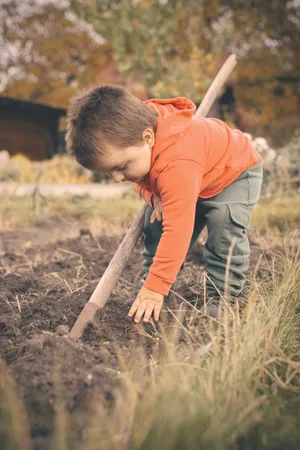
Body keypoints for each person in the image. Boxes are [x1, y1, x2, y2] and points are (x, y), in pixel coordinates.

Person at [66, 85, 263, 323]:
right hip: (192, 176)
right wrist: (153, 196)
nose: (118, 178)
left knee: (223, 226)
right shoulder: (133, 135)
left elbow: (178, 231)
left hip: (234, 171)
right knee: (155, 222)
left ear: (148, 138)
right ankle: (154, 290)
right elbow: (140, 178)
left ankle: (223, 298)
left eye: (120, 167)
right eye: (109, 172)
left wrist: (156, 287)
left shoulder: (176, 162)